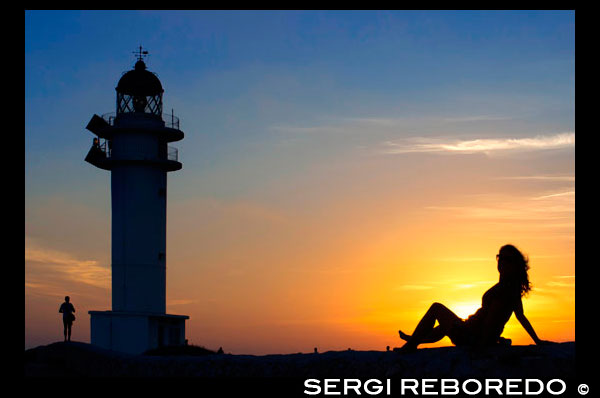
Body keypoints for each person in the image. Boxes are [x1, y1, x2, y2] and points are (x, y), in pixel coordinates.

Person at [397, 244, 554, 352]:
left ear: (515, 265)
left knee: (436, 308)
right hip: (471, 331)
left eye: (507, 259)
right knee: (444, 326)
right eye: (500, 257)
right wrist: (537, 341)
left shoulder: (505, 290)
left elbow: (492, 321)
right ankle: (414, 341)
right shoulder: (509, 288)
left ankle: (411, 344)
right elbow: (521, 317)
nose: (502, 262)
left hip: (472, 336)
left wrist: (482, 346)